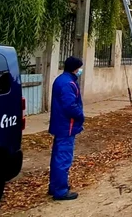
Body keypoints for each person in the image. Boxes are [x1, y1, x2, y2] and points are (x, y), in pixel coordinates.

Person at [48, 56, 85, 201]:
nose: (80, 70)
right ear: (75, 68)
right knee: (63, 158)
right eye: (79, 68)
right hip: (66, 125)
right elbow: (70, 106)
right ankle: (61, 191)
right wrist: (80, 115)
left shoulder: (61, 80)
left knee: (57, 157)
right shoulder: (68, 83)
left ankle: (55, 186)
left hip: (60, 124)